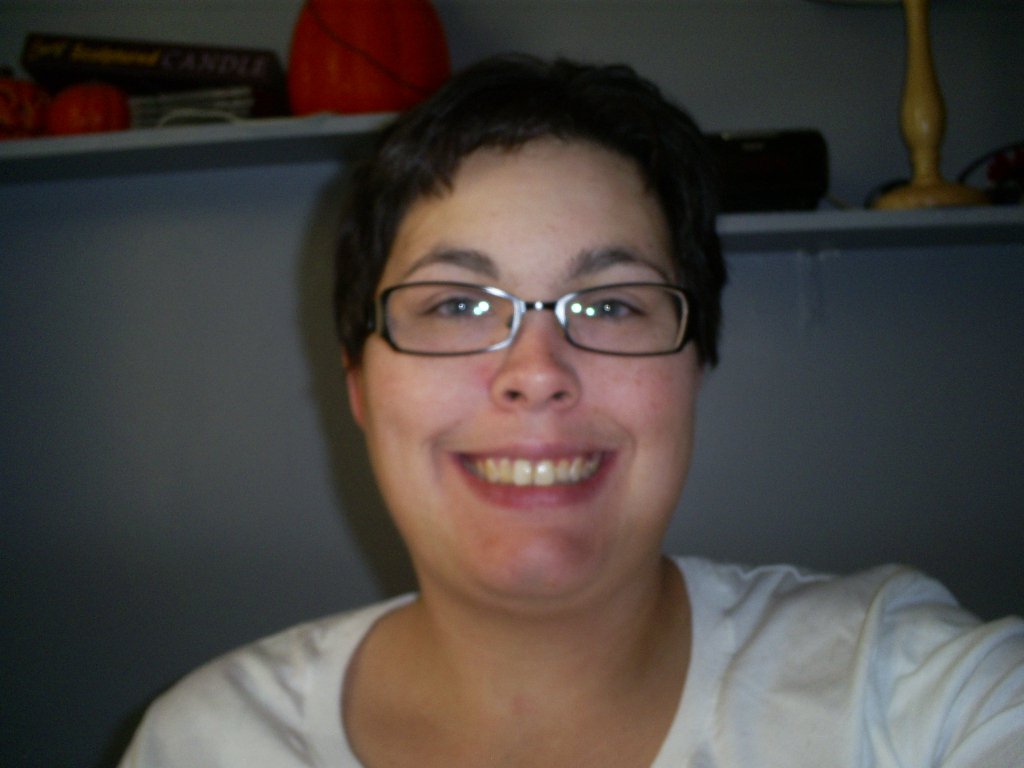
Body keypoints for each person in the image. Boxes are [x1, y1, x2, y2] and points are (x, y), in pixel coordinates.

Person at [119, 55, 1024, 767]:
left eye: (611, 305)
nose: (536, 372)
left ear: (695, 367)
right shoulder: (205, 743)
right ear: (359, 384)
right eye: (457, 304)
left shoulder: (904, 693)